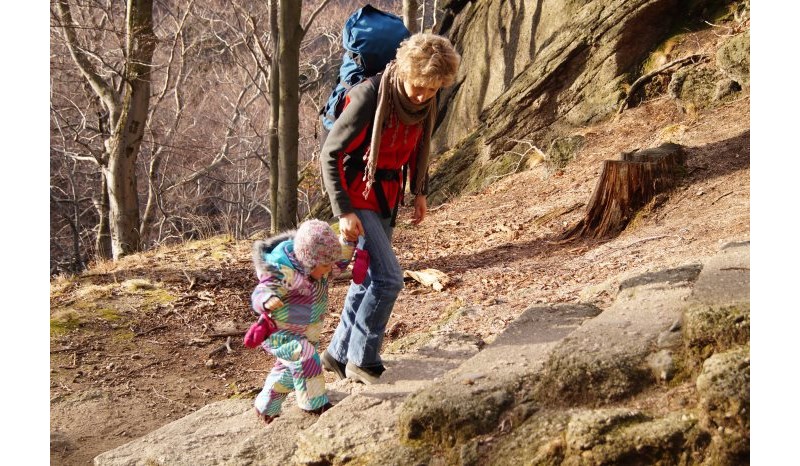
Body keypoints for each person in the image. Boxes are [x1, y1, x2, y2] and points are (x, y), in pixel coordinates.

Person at [319, 33, 461, 384]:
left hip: (387, 194)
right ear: (405, 71)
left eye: (431, 90)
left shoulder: (426, 98)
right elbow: (330, 153)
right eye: (418, 87)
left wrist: (420, 191)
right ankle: (363, 359)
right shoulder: (371, 95)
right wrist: (343, 211)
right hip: (358, 193)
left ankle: (337, 354)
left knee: (368, 279)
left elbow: (420, 144)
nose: (422, 96)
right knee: (388, 279)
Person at [250, 219, 350, 424]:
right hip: (280, 335)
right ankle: (314, 404)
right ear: (308, 261)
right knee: (306, 357)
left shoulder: (321, 266)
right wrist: (267, 300)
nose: (328, 269)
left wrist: (348, 242)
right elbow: (261, 290)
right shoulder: (283, 271)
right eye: (324, 265)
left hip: (305, 332)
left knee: (288, 373)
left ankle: (266, 407)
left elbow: (338, 264)